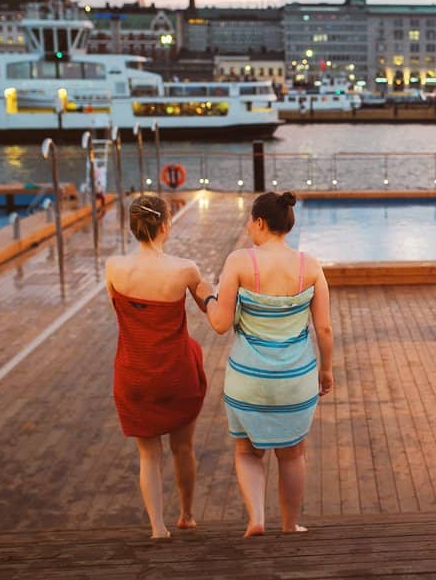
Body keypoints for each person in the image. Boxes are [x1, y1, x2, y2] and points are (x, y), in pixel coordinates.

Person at [199, 191, 334, 537]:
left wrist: (207, 297)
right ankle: (290, 524)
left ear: (260, 223)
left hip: (249, 380)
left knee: (247, 451)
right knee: (292, 455)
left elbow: (219, 323)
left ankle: (257, 518)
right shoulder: (310, 265)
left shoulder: (240, 262)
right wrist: (327, 369)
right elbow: (324, 328)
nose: (248, 226)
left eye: (249, 220)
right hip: (295, 379)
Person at [106, 194, 209, 539]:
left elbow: (121, 312)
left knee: (148, 455)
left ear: (133, 226)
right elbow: (213, 308)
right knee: (183, 448)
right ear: (165, 225)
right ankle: (187, 514)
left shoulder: (114, 268)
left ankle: (157, 527)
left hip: (134, 373)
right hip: (176, 373)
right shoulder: (185, 269)